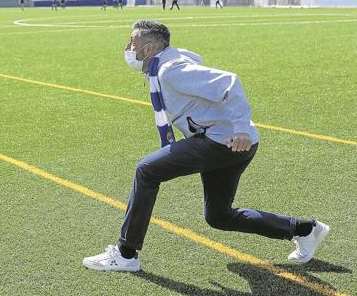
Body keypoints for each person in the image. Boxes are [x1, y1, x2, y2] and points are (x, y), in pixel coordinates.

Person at [83, 19, 329, 272]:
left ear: (147, 49)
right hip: (228, 144)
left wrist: (241, 126)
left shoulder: (170, 70)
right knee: (218, 216)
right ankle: (304, 229)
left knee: (146, 170)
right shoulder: (162, 66)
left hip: (223, 141)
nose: (127, 47)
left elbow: (229, 81)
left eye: (131, 42)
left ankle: (126, 254)